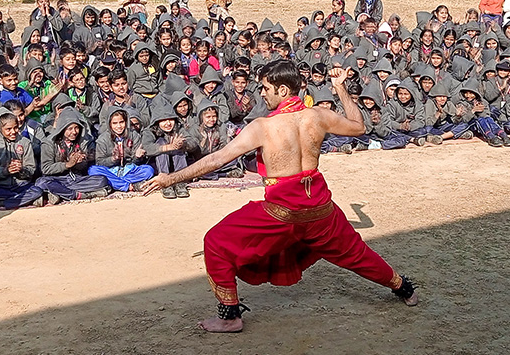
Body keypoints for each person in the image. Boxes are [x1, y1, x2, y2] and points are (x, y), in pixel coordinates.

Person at [142, 60, 418, 332]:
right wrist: (340, 88)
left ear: (283, 90)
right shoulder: (318, 115)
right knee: (357, 254)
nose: (262, 93)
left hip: (282, 211)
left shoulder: (263, 126)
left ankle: (229, 316)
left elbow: (217, 159)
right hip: (319, 207)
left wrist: (170, 178)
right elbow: (359, 127)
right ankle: (403, 288)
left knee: (215, 242)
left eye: (265, 88)